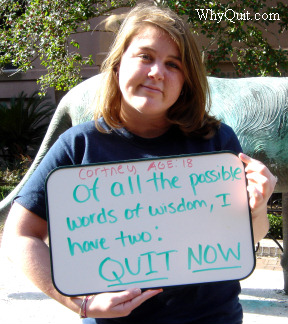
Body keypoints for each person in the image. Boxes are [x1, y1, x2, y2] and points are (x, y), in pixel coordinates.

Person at [2, 3, 277, 324]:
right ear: (118, 65)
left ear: (186, 81)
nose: (157, 71)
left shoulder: (217, 142)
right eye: (145, 56)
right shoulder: (79, 145)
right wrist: (81, 303)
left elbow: (250, 236)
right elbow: (19, 236)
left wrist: (257, 207)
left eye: (173, 64)